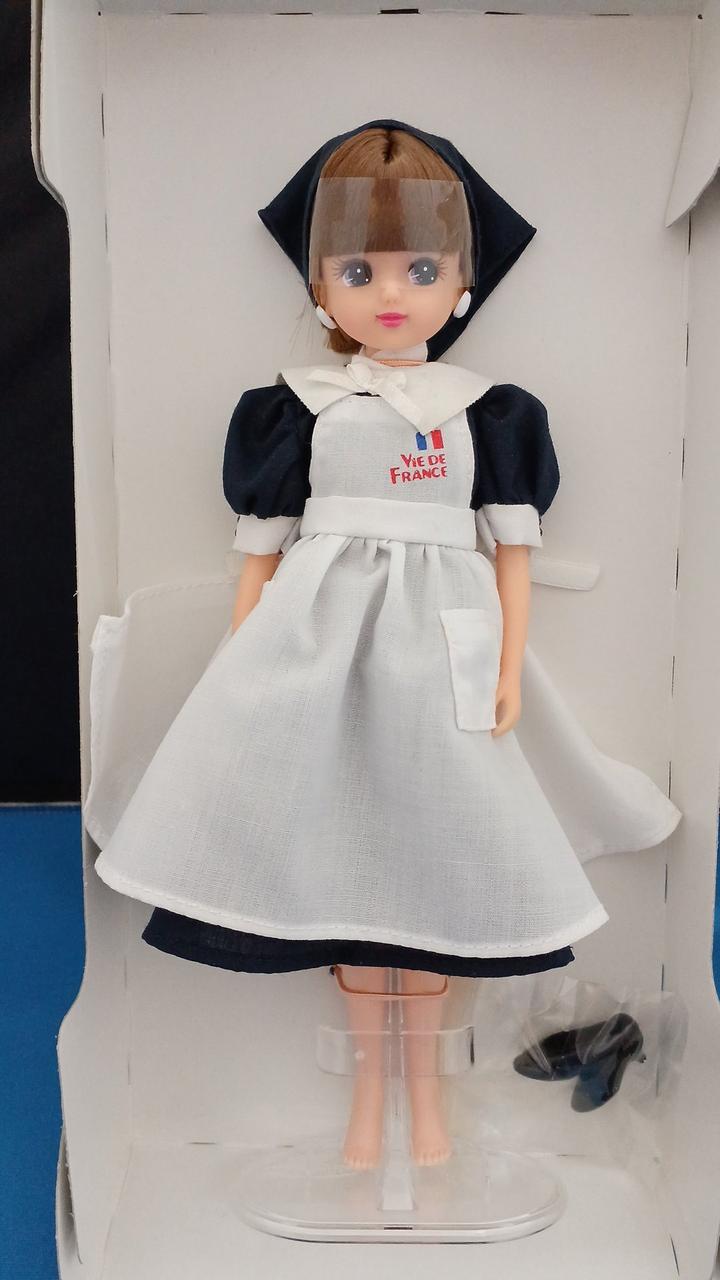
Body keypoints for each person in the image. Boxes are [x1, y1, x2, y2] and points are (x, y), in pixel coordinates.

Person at [92, 120, 681, 1168]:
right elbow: (259, 558)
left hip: (445, 653)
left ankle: (431, 1107)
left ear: (463, 281)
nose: (392, 294)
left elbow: (510, 555)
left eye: (422, 268)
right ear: (322, 286)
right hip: (317, 648)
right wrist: (242, 668)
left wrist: (506, 667)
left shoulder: (489, 414)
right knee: (346, 888)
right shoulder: (298, 411)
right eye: (360, 271)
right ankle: (370, 1105)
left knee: (434, 870)